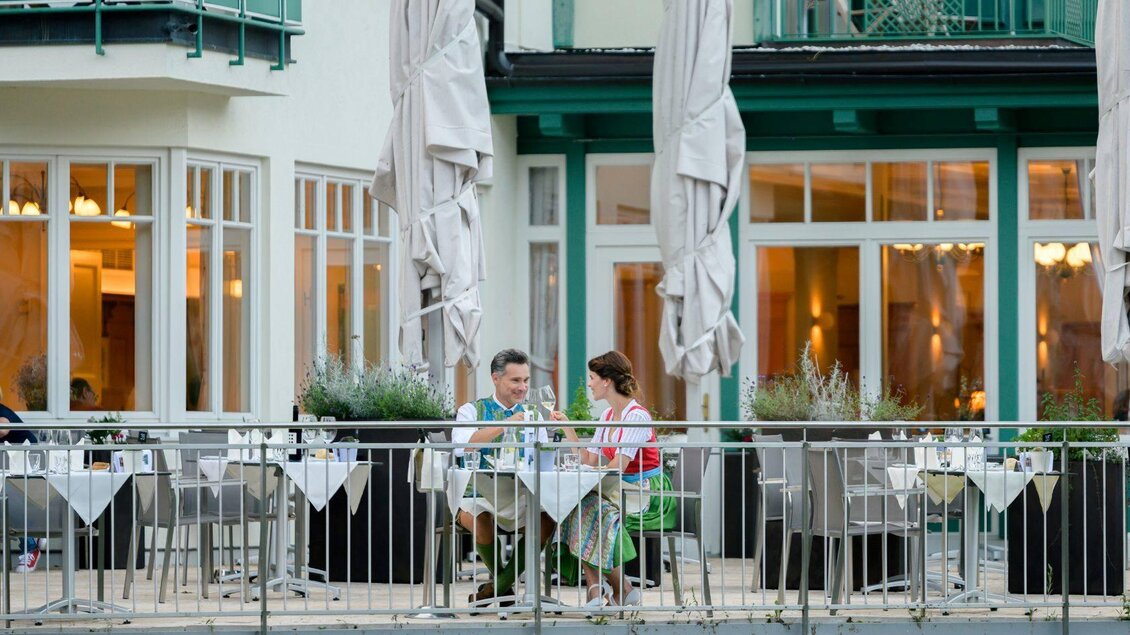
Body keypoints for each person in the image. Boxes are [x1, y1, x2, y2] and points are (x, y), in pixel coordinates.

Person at [550, 350, 677, 609]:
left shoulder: (636, 416)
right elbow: (588, 460)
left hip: (646, 494)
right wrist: (568, 427)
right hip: (619, 490)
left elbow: (618, 466)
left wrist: (590, 477)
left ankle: (609, 589)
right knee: (579, 506)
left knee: (590, 509)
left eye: (592, 377)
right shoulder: (606, 417)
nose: (589, 383)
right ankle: (609, 589)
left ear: (607, 381)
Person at [452, 348, 555, 605]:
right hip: (477, 493)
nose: (522, 387)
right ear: (496, 379)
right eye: (515, 380)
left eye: (526, 380)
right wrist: (505, 425)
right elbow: (461, 446)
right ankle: (504, 585)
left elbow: (542, 458)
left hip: (521, 495)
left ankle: (497, 587)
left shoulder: (533, 416)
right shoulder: (471, 411)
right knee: (481, 519)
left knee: (547, 520)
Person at [0, 388, 44, 573]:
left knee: (14, 501)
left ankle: (31, 545)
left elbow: (3, 429)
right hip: (15, 462)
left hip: (27, 460)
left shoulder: (1, 412)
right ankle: (36, 534)